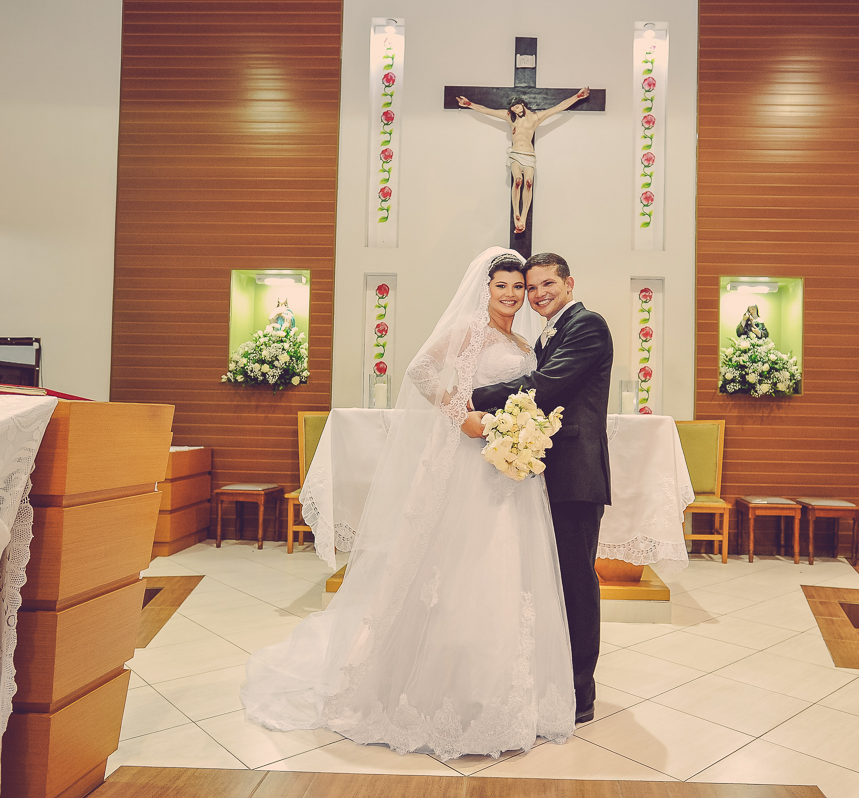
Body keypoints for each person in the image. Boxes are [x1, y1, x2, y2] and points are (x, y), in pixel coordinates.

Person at [241, 247, 575, 762]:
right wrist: (458, 413)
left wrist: (515, 432)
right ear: (485, 289)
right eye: (502, 286)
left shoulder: (524, 340)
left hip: (508, 465)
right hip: (465, 458)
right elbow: (422, 369)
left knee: (505, 564)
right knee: (458, 560)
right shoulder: (468, 331)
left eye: (518, 288)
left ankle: (501, 694)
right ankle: (431, 691)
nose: (512, 296)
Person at [465, 252, 614, 724]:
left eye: (547, 284)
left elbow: (545, 385)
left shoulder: (587, 325)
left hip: (575, 476)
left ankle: (580, 695)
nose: (536, 294)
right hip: (546, 472)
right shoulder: (549, 333)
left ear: (569, 283)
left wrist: (473, 399)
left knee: (575, 582)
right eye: (531, 288)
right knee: (549, 581)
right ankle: (551, 683)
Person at [455, 89, 590, 233]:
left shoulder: (535, 117)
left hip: (529, 155)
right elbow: (488, 111)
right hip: (515, 154)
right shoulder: (509, 117)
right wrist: (469, 104)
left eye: (517, 106)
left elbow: (558, 107)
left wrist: (577, 96)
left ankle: (523, 218)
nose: (515, 109)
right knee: (518, 181)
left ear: (522, 104)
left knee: (528, 183)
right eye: (513, 108)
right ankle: (516, 215)